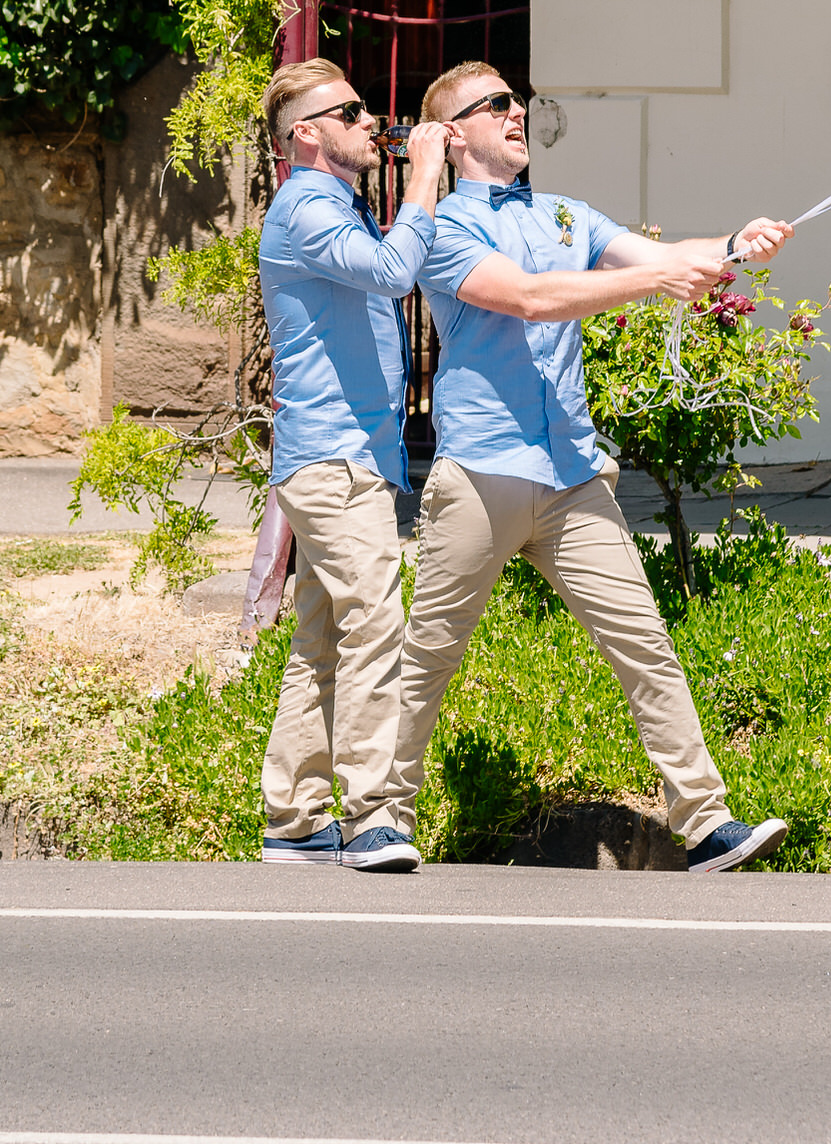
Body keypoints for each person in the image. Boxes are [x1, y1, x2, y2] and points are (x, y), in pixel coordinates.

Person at [370, 62, 798, 873]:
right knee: (430, 654)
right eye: (495, 105)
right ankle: (384, 817)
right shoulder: (440, 229)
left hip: (570, 474)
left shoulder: (567, 215)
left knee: (643, 643)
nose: (516, 112)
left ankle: (705, 822)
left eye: (518, 101)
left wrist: (737, 245)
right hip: (482, 473)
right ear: (454, 135)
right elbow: (532, 297)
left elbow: (673, 257)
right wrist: (656, 277)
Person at [254, 58, 453, 871]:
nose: (372, 120)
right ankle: (373, 814)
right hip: (334, 460)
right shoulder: (306, 206)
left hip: (342, 457)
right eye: (351, 111)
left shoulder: (331, 205)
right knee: (376, 623)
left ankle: (296, 818)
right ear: (307, 134)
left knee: (324, 640)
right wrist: (426, 181)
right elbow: (390, 273)